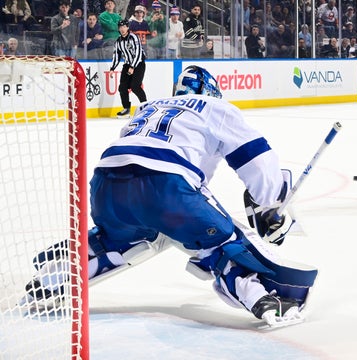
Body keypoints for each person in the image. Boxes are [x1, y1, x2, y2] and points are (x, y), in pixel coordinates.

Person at [21, 65, 316, 327]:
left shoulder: (149, 107)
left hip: (105, 186)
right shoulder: (215, 107)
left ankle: (53, 277)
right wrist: (270, 205)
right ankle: (265, 298)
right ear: (212, 91)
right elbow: (258, 162)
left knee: (130, 237)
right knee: (222, 242)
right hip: (165, 187)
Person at [109, 19, 147, 117]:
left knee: (135, 86)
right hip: (127, 64)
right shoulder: (118, 41)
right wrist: (112, 68)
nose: (122, 29)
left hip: (138, 63)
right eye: (120, 27)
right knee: (122, 87)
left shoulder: (134, 37)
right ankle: (126, 108)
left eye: (124, 27)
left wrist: (132, 66)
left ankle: (146, 107)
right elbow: (116, 55)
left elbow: (138, 53)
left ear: (128, 27)